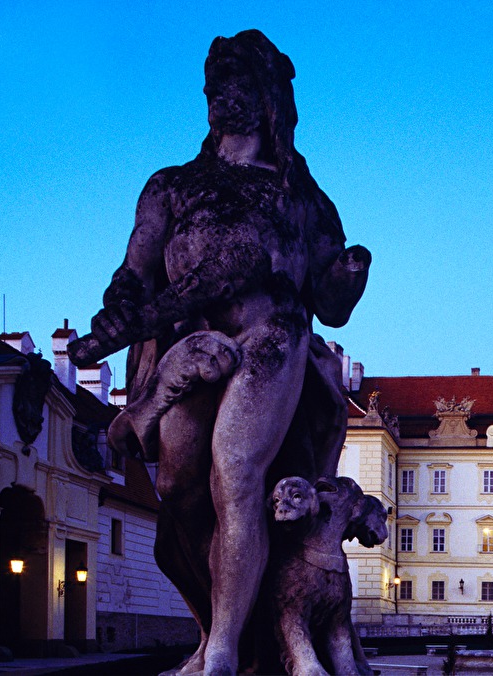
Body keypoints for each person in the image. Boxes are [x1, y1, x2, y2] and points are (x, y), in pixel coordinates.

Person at [70, 29, 369, 675]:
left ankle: (226, 652)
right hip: (189, 343)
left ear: (267, 98)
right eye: (214, 87)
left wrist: (348, 272)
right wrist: (119, 306)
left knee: (235, 475)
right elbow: (136, 268)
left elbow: (333, 302)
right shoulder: (172, 184)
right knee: (179, 493)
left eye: (237, 86)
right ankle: (213, 631)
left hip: (272, 335)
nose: (222, 99)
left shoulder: (302, 196)